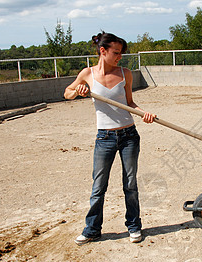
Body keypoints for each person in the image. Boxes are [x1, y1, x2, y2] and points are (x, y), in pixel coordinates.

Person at [64, 32, 156, 245]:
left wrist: (145, 114)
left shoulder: (125, 74)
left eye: (121, 53)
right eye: (116, 52)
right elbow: (66, 93)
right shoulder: (87, 74)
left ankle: (134, 226)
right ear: (102, 51)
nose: (119, 57)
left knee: (130, 184)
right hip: (104, 138)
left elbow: (130, 103)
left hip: (128, 136)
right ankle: (92, 229)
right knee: (99, 186)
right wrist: (77, 91)